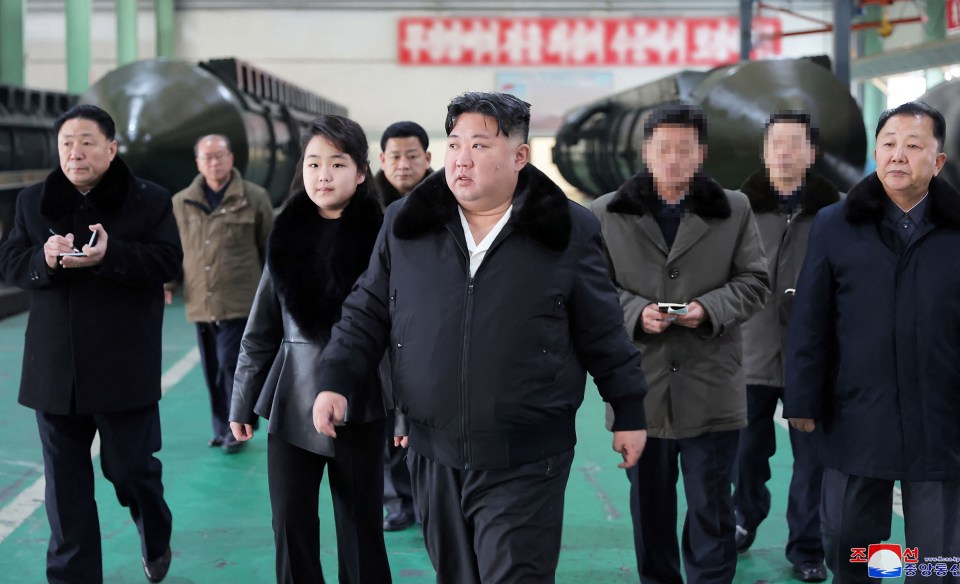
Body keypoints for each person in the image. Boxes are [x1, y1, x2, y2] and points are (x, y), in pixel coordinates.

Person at [312, 91, 649, 584]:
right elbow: (367, 310)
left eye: (479, 145)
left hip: (527, 455)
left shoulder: (567, 229)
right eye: (454, 144)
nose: (462, 159)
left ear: (519, 157)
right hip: (432, 452)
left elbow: (602, 328)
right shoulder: (406, 225)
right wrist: (336, 378)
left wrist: (629, 409)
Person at [0, 104, 181, 583]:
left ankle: (155, 527)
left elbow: (167, 262)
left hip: (124, 364)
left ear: (112, 148)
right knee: (65, 488)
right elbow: (12, 263)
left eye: (86, 142)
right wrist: (43, 258)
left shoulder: (149, 200)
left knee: (131, 471)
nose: (75, 152)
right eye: (66, 143)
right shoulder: (32, 202)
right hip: (55, 368)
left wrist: (110, 256)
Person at [591, 102, 769, 584]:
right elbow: (591, 288)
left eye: (684, 149)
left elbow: (755, 281)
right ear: (646, 151)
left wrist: (707, 309)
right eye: (663, 148)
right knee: (650, 512)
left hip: (711, 388)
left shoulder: (734, 208)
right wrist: (634, 312)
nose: (673, 158)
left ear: (701, 154)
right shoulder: (607, 213)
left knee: (712, 509)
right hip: (640, 391)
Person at [785, 101, 960, 584]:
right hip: (857, 415)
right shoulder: (835, 224)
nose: (898, 155)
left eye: (913, 146)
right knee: (853, 548)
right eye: (888, 144)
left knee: (939, 560)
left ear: (938, 161)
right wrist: (801, 397)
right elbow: (810, 320)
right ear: (875, 154)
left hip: (941, 420)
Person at [229, 115, 391, 584]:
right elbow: (260, 329)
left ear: (361, 172)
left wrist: (402, 411)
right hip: (291, 400)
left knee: (360, 530)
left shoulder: (383, 239)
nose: (323, 175)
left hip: (361, 403)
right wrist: (242, 399)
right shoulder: (286, 236)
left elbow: (399, 334)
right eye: (313, 163)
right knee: (291, 527)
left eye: (337, 164)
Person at [733, 112, 837, 582]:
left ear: (811, 153)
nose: (784, 151)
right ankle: (743, 518)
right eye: (776, 142)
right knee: (746, 452)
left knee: (813, 460)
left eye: (795, 143)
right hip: (749, 354)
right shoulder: (736, 209)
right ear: (764, 150)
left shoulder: (836, 212)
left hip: (812, 359)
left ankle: (807, 548)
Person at [165, 134, 274, 453]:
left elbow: (269, 247)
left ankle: (236, 425)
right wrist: (168, 284)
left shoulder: (254, 197)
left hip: (241, 298)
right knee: (213, 367)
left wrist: (274, 293)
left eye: (220, 156)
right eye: (207, 157)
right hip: (202, 298)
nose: (214, 162)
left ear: (231, 158)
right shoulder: (181, 202)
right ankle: (222, 427)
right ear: (198, 163)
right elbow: (173, 248)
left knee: (231, 363)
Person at [375, 120, 433, 532]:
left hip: (431, 327)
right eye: (395, 156)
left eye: (412, 155)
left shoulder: (449, 201)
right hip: (381, 328)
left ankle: (430, 496)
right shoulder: (364, 205)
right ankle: (397, 501)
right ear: (381, 160)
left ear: (428, 159)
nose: (403, 164)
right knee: (384, 419)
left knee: (428, 416)